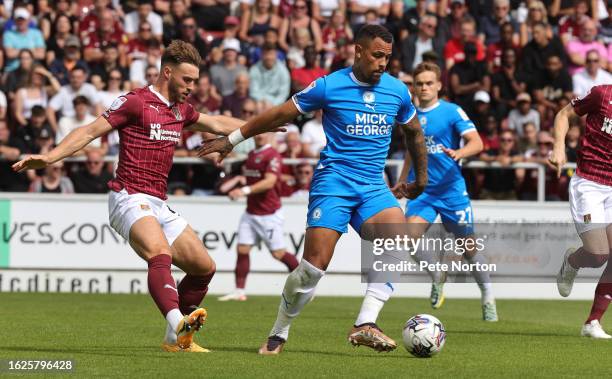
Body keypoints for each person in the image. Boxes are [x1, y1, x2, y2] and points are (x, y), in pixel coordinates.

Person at [198, 24, 428, 355]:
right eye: (377, 56)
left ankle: (365, 323)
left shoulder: (397, 91)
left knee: (399, 237)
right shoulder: (329, 86)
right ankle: (279, 331)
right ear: (358, 51)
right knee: (312, 270)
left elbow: (415, 134)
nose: (383, 64)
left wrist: (421, 179)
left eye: (388, 58)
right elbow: (281, 113)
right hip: (333, 182)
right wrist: (232, 139)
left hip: (373, 186)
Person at [12, 40, 248, 353]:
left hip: (158, 203)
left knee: (204, 267)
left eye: (194, 80)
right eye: (186, 80)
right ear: (167, 72)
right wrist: (50, 157)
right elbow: (89, 131)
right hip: (128, 195)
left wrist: (263, 125)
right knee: (159, 252)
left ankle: (177, 340)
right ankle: (177, 321)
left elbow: (218, 123)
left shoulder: (181, 110)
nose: (192, 87)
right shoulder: (136, 101)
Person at [396, 62, 497, 321]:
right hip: (423, 191)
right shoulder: (409, 115)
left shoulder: (452, 111)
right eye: (419, 84)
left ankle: (487, 294)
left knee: (468, 247)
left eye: (429, 83)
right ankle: (438, 274)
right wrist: (401, 180)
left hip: (451, 190)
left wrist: (459, 152)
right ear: (414, 87)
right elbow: (411, 151)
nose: (424, 88)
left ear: (439, 85)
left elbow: (477, 142)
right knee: (408, 237)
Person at [551, 84, 612, 339]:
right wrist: (559, 147)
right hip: (589, 183)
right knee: (598, 255)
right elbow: (564, 114)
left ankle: (592, 322)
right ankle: (572, 261)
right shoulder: (602, 94)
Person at [218, 132, 299, 301]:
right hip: (251, 212)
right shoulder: (251, 155)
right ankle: (239, 291)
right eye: (258, 132)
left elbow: (269, 182)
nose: (260, 136)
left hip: (269, 213)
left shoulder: (273, 155)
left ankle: (306, 286)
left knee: (278, 253)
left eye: (264, 133)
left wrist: (244, 190)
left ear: (270, 135)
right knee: (242, 249)